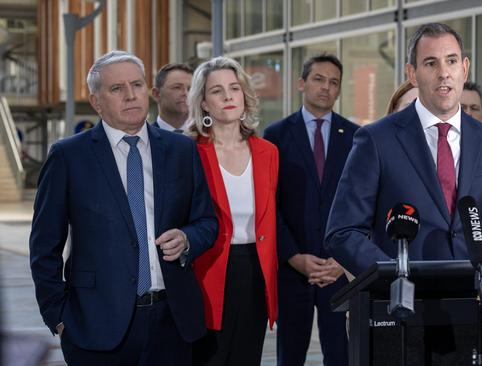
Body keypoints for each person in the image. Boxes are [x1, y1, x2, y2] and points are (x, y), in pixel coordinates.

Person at [29, 50, 218, 365]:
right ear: (96, 101)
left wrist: (187, 240)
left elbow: (206, 222)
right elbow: (44, 246)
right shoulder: (68, 157)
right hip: (95, 327)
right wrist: (59, 318)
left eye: (137, 85)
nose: (131, 95)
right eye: (117, 89)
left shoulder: (181, 150)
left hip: (173, 322)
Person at [325, 23, 482, 277]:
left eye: (451, 61)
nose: (443, 73)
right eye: (431, 63)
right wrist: (392, 275)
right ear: (412, 74)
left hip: (471, 300)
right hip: (402, 304)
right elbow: (342, 232)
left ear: (464, 68)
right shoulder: (376, 140)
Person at [264, 53, 358, 366]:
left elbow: (361, 203)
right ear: (302, 83)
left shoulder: (356, 136)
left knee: (341, 355)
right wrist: (293, 257)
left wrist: (342, 260)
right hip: (293, 267)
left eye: (334, 83)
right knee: (289, 355)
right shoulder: (275, 136)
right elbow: (269, 205)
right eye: (319, 79)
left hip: (338, 269)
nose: (326, 88)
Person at [188, 56, 278, 365]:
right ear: (203, 103)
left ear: (244, 96)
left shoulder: (268, 152)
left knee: (247, 358)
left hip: (255, 271)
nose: (228, 97)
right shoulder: (189, 152)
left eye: (234, 88)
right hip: (206, 270)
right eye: (217, 91)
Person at [152, 63, 194, 132]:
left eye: (190, 89)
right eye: (177, 87)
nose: (186, 93)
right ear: (156, 94)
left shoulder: (207, 137)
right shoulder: (145, 138)